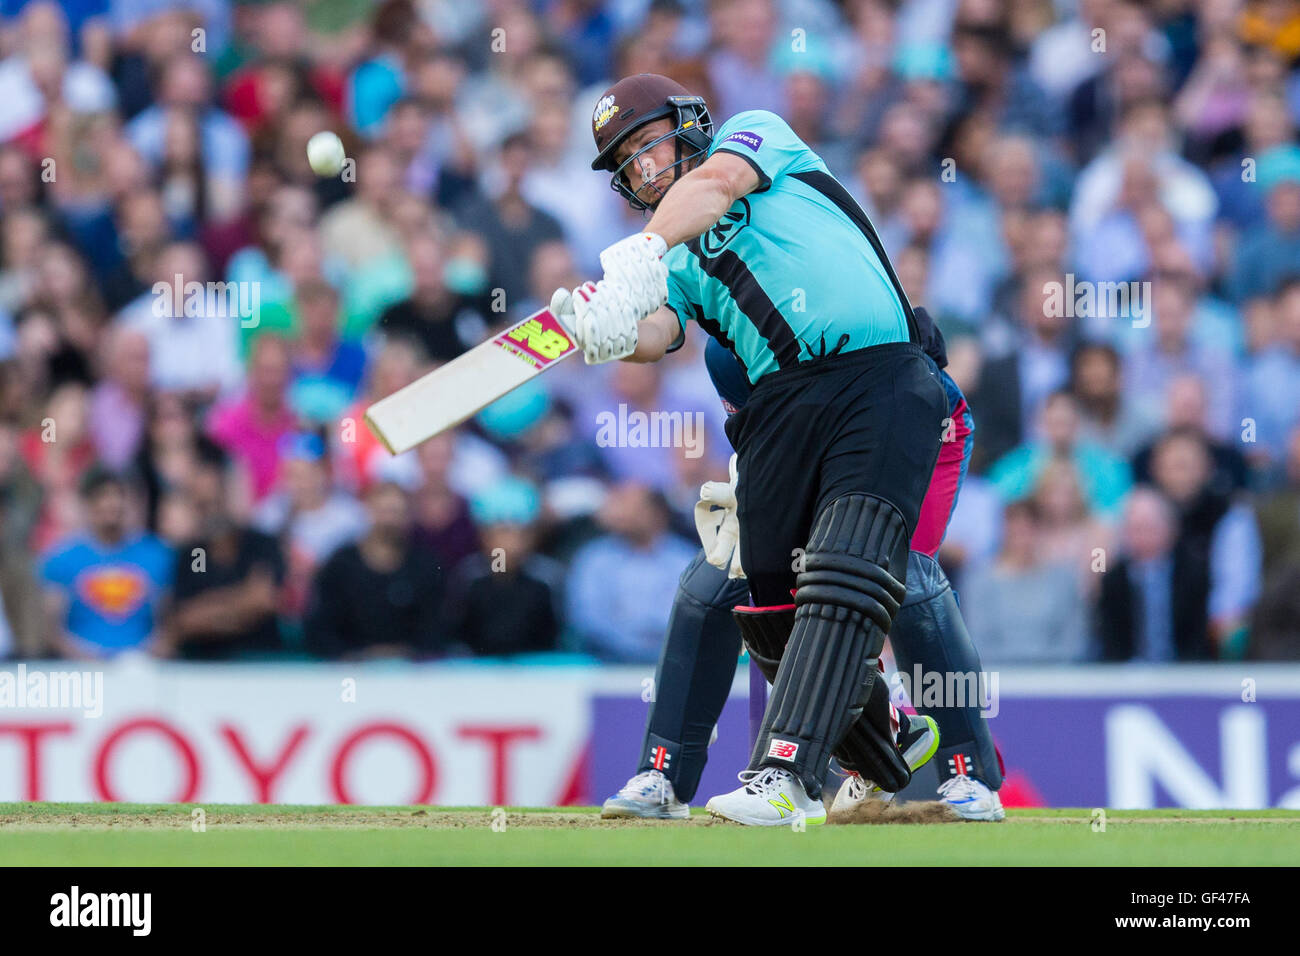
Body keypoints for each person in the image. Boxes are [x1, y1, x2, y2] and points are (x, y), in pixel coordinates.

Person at [556, 73, 949, 825]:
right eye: (626, 163)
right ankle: (886, 735)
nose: (642, 167)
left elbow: (717, 187)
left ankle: (786, 774)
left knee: (844, 563)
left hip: (879, 375)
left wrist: (639, 250)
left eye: (648, 143)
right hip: (779, 407)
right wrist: (600, 336)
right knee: (769, 597)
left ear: (690, 122)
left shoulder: (756, 135)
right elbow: (662, 333)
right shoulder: (671, 260)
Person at [603, 309, 1005, 823]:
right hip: (810, 450)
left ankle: (967, 773)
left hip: (914, 430)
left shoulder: (839, 310)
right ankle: (663, 776)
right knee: (715, 581)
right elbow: (769, 448)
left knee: (903, 579)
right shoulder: (727, 355)